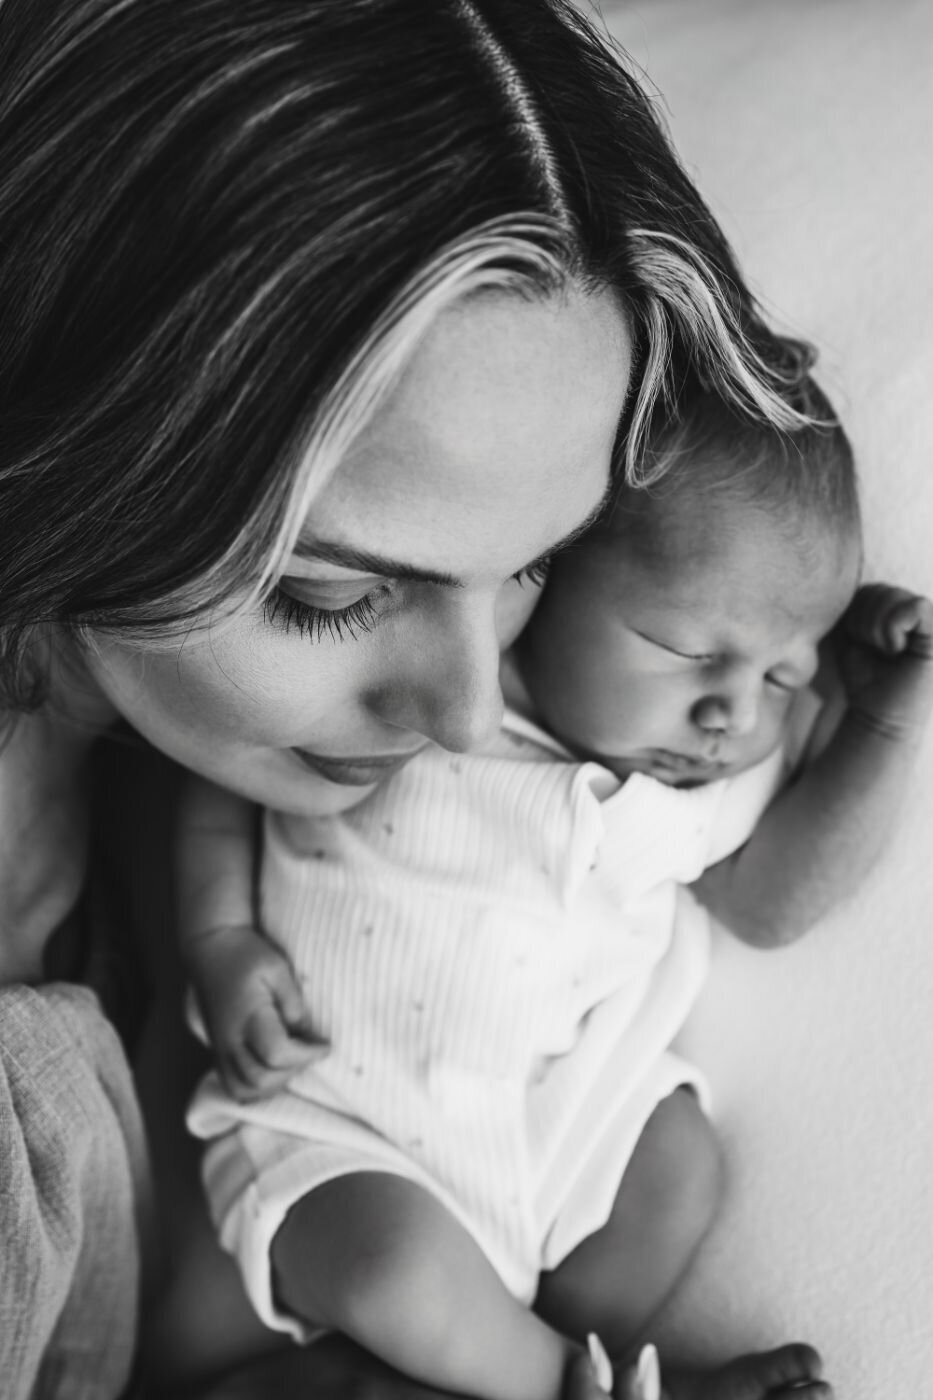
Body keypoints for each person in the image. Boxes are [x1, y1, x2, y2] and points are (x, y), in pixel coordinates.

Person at [0, 1, 838, 1397]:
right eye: (333, 594)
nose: (465, 716)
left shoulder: (163, 783)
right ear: (79, 457)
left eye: (532, 566)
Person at [177, 378, 933, 1400]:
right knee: (390, 1271)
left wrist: (882, 724)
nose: (731, 711)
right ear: (553, 563)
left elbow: (771, 903)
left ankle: (568, 1369)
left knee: (678, 1162)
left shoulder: (690, 798)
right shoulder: (434, 698)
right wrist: (220, 933)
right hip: (333, 1122)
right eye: (692, 650)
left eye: (785, 677)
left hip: (552, 1135)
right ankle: (573, 1386)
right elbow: (231, 770)